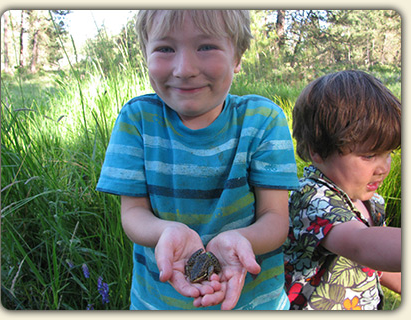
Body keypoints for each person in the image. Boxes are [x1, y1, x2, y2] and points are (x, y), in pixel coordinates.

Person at [96, 10, 299, 310]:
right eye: (165, 48)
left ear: (237, 57)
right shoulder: (137, 120)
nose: (184, 69)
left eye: (206, 47)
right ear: (145, 54)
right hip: (159, 303)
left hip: (254, 304)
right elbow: (133, 214)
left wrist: (242, 241)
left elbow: (276, 219)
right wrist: (165, 232)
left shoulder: (263, 120)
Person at [284, 70, 401, 310]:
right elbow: (361, 244)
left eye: (388, 153)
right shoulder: (311, 196)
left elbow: (372, 263)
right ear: (318, 150)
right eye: (369, 156)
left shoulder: (371, 201)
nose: (383, 168)